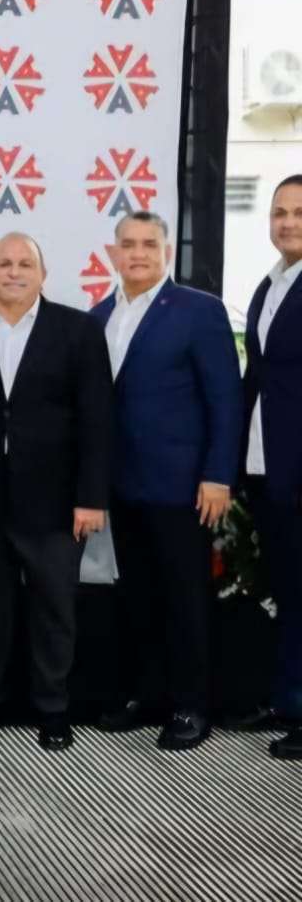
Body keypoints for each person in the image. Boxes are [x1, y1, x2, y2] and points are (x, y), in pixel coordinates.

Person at [0, 233, 112, 753]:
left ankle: (53, 709)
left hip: (57, 503)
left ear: (43, 275)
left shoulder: (79, 330)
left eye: (25, 264)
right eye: (4, 263)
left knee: (54, 611)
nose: (14, 272)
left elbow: (97, 420)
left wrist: (91, 497)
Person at [91, 210, 241, 751]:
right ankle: (147, 695)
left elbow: (226, 399)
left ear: (167, 252)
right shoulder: (99, 315)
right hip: (122, 486)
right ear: (113, 253)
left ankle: (191, 705)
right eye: (128, 244)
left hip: (183, 489)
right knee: (140, 597)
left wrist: (218, 474)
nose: (138, 254)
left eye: (149, 244)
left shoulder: (199, 311)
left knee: (185, 599)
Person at [237, 176, 302, 761]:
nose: (287, 222)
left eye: (299, 213)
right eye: (280, 212)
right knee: (286, 589)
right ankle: (286, 701)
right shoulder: (268, 285)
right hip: (266, 467)